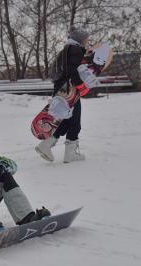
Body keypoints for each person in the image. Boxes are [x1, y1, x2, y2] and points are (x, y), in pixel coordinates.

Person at [35, 26, 94, 163]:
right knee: (75, 122)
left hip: (62, 88)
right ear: (79, 40)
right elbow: (73, 69)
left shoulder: (66, 50)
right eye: (86, 39)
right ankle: (70, 154)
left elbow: (64, 70)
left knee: (66, 120)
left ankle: (46, 144)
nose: (87, 42)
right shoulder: (76, 50)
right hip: (69, 88)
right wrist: (80, 84)